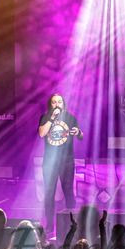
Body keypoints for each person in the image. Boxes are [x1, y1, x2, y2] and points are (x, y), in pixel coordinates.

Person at [38, 94, 83, 231]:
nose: (57, 104)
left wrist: (78, 132)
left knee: (68, 192)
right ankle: (50, 225)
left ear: (63, 103)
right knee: (49, 193)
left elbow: (81, 136)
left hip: (67, 161)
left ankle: (71, 223)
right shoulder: (45, 117)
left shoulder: (71, 118)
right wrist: (52, 118)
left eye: (59, 102)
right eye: (54, 102)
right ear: (50, 105)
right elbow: (41, 133)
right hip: (50, 162)